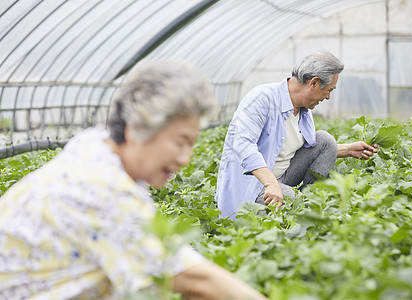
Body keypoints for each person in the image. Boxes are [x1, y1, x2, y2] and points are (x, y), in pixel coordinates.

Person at [0, 60, 266, 299]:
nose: (186, 158)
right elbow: (190, 278)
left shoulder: (96, 150)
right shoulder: (99, 186)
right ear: (137, 128)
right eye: (180, 141)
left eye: (191, 144)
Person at [215, 50, 378, 218]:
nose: (328, 97)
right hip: (253, 185)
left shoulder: (303, 111)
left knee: (325, 141)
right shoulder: (262, 98)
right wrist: (271, 183)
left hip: (282, 179)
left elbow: (304, 149)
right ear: (314, 83)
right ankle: (300, 207)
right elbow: (243, 144)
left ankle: (311, 200)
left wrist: (348, 150)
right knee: (291, 199)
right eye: (329, 90)